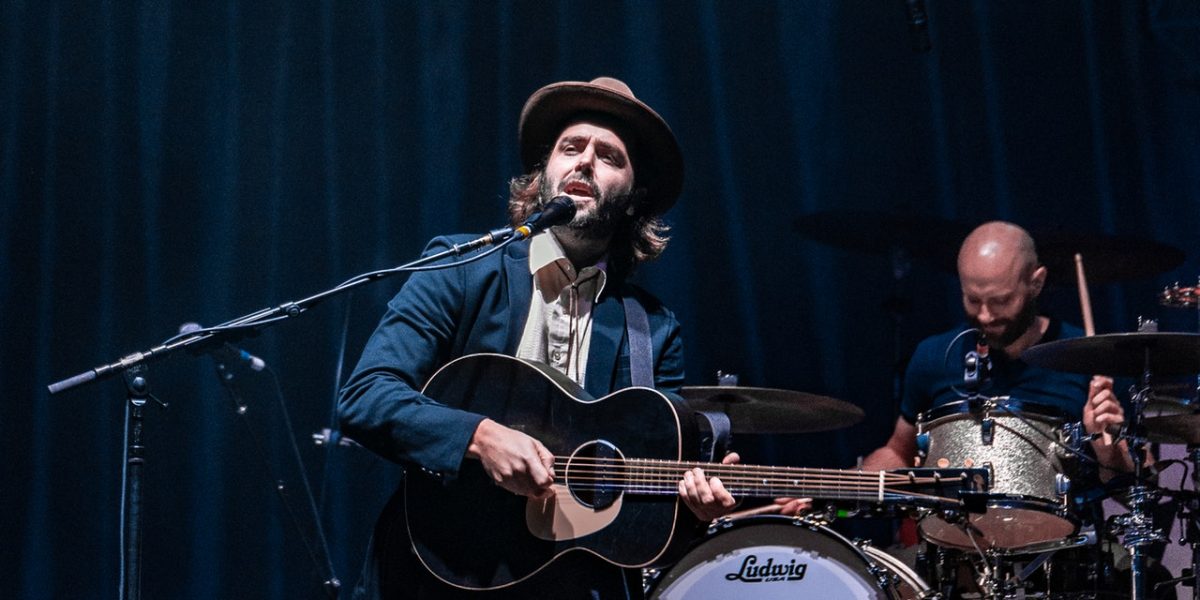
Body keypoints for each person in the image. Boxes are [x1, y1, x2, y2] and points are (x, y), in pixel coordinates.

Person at [338, 77, 736, 599]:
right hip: (436, 571)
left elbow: (646, 498)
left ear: (634, 196)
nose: (585, 162)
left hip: (568, 583)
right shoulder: (461, 269)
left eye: (609, 156)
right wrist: (481, 437)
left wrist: (692, 507)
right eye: (571, 147)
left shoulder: (653, 329)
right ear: (543, 172)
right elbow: (367, 395)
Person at [861, 221, 1136, 476]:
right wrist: (840, 487)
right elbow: (899, 451)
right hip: (953, 527)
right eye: (972, 300)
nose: (985, 316)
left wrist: (1109, 454)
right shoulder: (933, 357)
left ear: (1036, 283)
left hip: (1066, 528)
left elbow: (1135, 488)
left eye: (1001, 301)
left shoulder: (1093, 359)